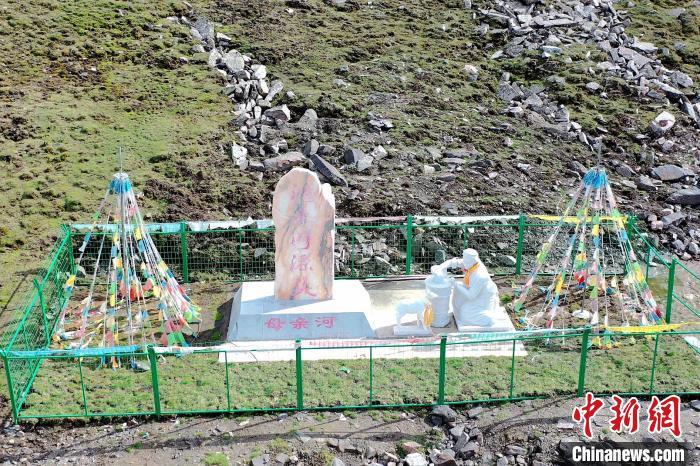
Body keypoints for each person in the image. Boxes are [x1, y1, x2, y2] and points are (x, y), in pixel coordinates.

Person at [436, 248, 502, 328]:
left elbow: (471, 295)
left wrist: (455, 284)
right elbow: (454, 262)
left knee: (464, 314)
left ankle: (489, 318)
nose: (464, 263)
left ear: (474, 261)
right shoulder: (470, 264)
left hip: (483, 298)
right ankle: (460, 312)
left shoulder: (480, 276)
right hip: (473, 290)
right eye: (464, 260)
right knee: (459, 294)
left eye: (466, 262)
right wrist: (440, 267)